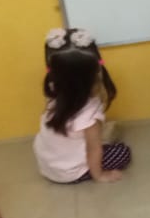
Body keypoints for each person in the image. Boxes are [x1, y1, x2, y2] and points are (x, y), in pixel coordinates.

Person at [35, 27, 131, 184]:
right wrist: (99, 175)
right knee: (123, 152)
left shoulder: (54, 92)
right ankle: (90, 168)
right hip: (70, 173)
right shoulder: (89, 117)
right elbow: (93, 150)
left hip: (48, 166)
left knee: (94, 139)